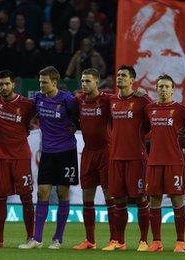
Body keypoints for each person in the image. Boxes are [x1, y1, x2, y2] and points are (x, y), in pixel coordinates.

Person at [19, 66, 79, 250]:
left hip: (66, 152)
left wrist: (75, 126)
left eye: (44, 82)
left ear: (54, 82)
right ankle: (36, 238)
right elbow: (25, 111)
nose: (41, 85)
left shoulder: (67, 100)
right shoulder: (38, 98)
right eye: (40, 82)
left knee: (62, 193)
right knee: (42, 192)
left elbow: (79, 116)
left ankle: (57, 239)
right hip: (48, 153)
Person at [0, 70, 37, 248]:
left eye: (7, 84)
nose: (4, 87)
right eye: (1, 84)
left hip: (20, 157)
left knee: (26, 198)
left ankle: (31, 237)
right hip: (0, 158)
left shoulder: (26, 104)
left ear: (13, 84)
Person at [102, 65, 152, 252]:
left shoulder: (141, 100)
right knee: (119, 200)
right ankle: (119, 241)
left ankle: (143, 241)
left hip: (135, 157)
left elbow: (149, 123)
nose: (120, 78)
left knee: (140, 199)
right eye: (118, 75)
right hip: (115, 157)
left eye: (124, 76)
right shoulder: (111, 100)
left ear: (132, 80)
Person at [144, 75, 185, 252]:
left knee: (176, 199)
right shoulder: (150, 109)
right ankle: (156, 241)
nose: (163, 89)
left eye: (166, 87)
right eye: (160, 86)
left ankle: (180, 241)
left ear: (173, 90)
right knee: (154, 199)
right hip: (154, 161)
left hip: (173, 161)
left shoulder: (180, 110)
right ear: (156, 89)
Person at [72, 68, 116, 250]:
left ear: (97, 82)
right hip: (88, 152)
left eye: (88, 81)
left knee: (109, 197)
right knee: (87, 198)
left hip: (105, 152)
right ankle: (90, 240)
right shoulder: (79, 100)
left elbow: (125, 104)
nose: (84, 84)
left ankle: (115, 240)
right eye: (82, 81)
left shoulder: (107, 99)